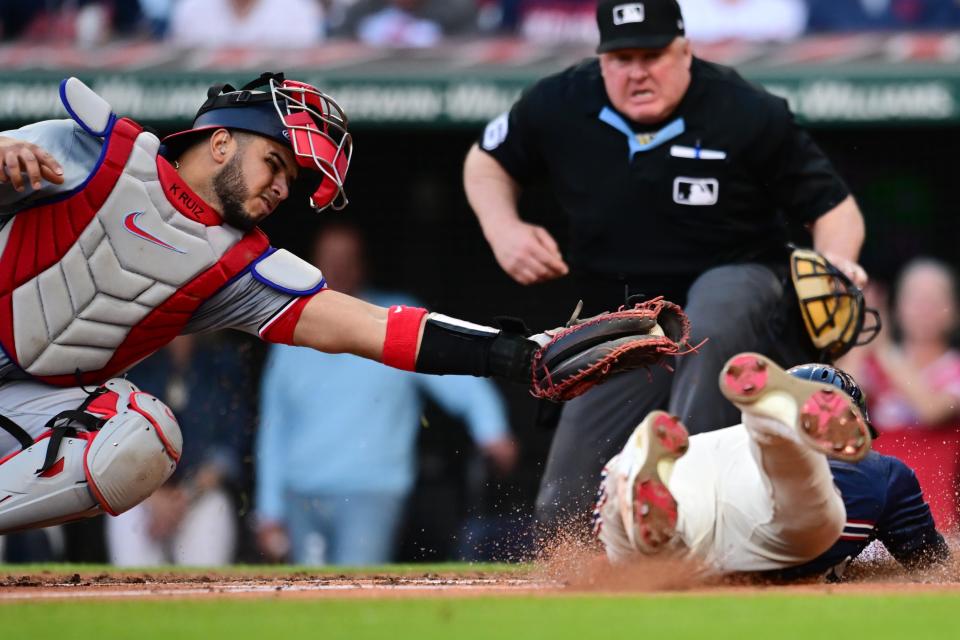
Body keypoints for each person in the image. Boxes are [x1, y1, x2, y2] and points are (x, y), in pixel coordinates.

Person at [0, 71, 654, 536]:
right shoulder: (89, 148)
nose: (282, 187)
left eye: (292, 177)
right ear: (221, 140)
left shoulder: (238, 266)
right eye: (276, 162)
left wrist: (516, 356)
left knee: (147, 437)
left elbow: (371, 326)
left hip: (25, 400)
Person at [463, 0, 869, 535]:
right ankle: (626, 570)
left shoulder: (743, 109)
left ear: (684, 50)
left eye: (652, 55)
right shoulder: (561, 101)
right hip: (630, 322)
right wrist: (503, 229)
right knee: (562, 515)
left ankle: (693, 492)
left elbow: (837, 212)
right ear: (601, 59)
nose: (638, 71)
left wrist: (836, 261)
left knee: (716, 304)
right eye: (622, 57)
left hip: (743, 294)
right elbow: (485, 161)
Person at [255, 224, 516, 565]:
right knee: (306, 602)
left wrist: (491, 429)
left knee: (355, 594)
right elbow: (274, 427)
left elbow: (459, 371)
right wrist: (268, 509)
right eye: (328, 260)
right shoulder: (288, 329)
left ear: (363, 265)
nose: (337, 269)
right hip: (300, 493)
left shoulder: (394, 318)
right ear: (309, 266)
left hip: (372, 491)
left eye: (346, 260)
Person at [595, 352, 950, 580]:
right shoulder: (881, 470)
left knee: (642, 557)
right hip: (780, 518)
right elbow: (932, 566)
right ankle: (779, 422)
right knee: (800, 507)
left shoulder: (720, 442)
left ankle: (624, 479)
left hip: (708, 461)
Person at [106, 334, 251, 566]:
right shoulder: (135, 367)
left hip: (199, 494)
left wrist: (187, 494)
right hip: (141, 494)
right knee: (122, 513)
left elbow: (232, 441)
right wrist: (152, 497)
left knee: (216, 509)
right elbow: (113, 444)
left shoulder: (221, 364)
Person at [843, 260, 960, 533]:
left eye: (933, 300)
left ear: (953, 312)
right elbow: (837, 405)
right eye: (914, 299)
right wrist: (862, 332)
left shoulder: (955, 368)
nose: (923, 310)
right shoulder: (873, 367)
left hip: (936, 524)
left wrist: (881, 346)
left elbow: (930, 410)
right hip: (871, 522)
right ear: (897, 309)